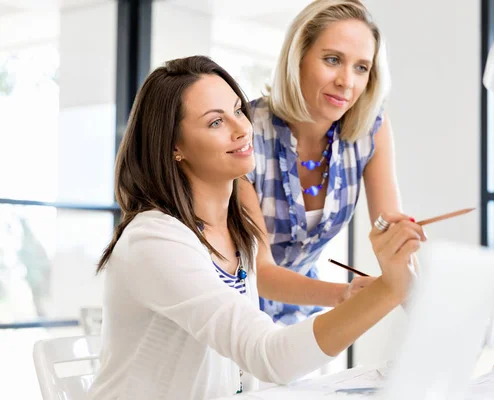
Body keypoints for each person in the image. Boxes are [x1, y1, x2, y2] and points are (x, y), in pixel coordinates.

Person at [88, 55, 424, 400]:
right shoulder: (155, 240)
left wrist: (355, 294)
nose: (241, 129)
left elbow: (244, 368)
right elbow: (270, 356)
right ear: (175, 146)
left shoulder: (239, 231)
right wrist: (390, 289)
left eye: (237, 110)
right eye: (215, 123)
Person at [239, 0, 413, 324]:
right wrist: (343, 295)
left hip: (302, 319)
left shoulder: (369, 129)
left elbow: (390, 235)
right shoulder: (245, 130)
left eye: (361, 67)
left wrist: (424, 310)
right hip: (232, 315)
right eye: (333, 60)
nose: (347, 82)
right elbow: (260, 272)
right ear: (298, 57)